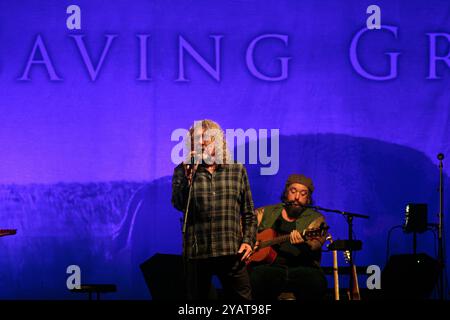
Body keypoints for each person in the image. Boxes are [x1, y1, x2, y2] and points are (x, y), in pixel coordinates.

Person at [171, 119, 257, 300]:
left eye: (206, 138)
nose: (201, 142)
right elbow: (179, 205)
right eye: (196, 139)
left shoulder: (236, 170)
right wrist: (188, 178)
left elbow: (249, 213)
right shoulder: (183, 170)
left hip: (231, 251)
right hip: (197, 252)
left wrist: (248, 241)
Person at [249, 174, 328, 300]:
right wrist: (249, 242)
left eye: (303, 194)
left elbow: (316, 244)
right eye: (293, 191)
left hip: (302, 269)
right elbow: (244, 226)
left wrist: (304, 242)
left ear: (308, 199)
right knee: (255, 277)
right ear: (286, 193)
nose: (297, 197)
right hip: (270, 268)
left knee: (317, 282)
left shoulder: (316, 219)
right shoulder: (267, 212)